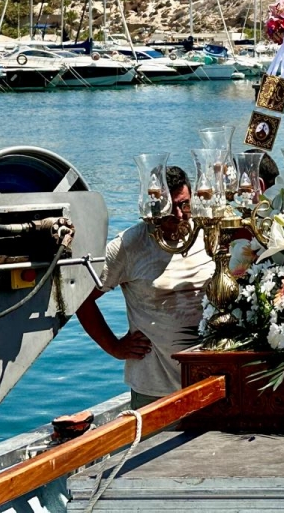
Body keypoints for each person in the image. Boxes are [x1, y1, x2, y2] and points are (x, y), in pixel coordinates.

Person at [77, 165, 211, 409]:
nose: (180, 215)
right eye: (172, 209)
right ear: (156, 206)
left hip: (208, 379)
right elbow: (81, 298)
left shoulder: (207, 234)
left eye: (185, 204)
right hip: (154, 388)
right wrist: (115, 347)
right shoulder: (131, 245)